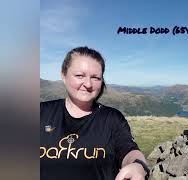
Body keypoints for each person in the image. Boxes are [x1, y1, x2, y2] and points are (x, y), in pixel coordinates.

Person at [40, 47, 149, 180]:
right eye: (79, 75)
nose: (88, 84)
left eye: (95, 77)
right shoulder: (41, 112)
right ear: (63, 75)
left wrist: (138, 166)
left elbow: (129, 150)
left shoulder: (111, 118)